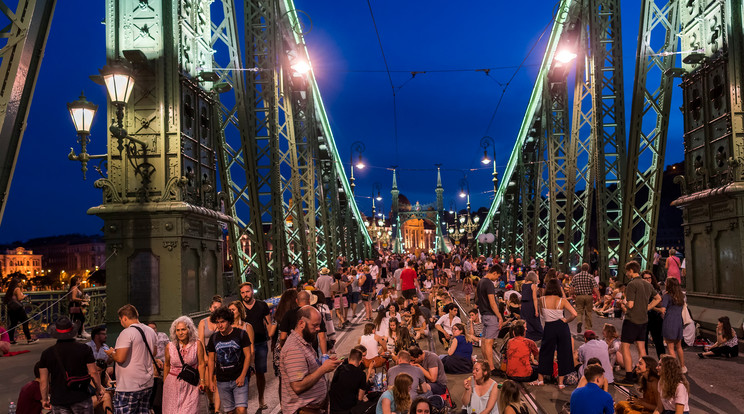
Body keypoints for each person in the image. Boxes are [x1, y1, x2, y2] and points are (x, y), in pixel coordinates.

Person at [280, 306, 342, 414]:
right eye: (315, 325)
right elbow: (298, 386)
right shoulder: (294, 349)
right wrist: (323, 369)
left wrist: (326, 365)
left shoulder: (303, 343)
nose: (318, 329)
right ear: (301, 323)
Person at [39, 316, 104, 414]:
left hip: (59, 399)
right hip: (81, 396)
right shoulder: (84, 349)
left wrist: (44, 399)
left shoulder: (47, 353)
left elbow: (44, 381)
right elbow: (93, 372)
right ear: (72, 332)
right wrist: (98, 389)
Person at [104, 305, 158, 414]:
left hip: (129, 386)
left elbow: (120, 358)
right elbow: (154, 352)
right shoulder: (150, 331)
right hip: (147, 384)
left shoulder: (127, 333)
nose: (121, 323)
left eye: (120, 320)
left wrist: (111, 353)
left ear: (124, 318)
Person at [617, 261, 661, 386]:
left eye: (627, 271)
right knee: (641, 348)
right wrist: (647, 307)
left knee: (625, 347)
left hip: (631, 320)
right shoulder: (647, 284)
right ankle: (645, 375)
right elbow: (658, 298)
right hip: (643, 320)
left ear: (631, 270)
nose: (626, 274)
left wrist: (623, 302)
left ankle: (629, 377)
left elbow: (630, 304)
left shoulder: (632, 284)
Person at [532, 278, 577, 388]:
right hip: (562, 327)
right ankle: (561, 383)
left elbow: (542, 315)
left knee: (545, 352)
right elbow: (574, 314)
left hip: (549, 326)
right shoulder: (562, 300)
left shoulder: (541, 300)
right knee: (563, 353)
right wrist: (566, 320)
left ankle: (540, 379)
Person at [206, 306, 252, 414]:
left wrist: (242, 376)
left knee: (241, 409)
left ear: (229, 321)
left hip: (239, 379)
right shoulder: (214, 338)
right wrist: (210, 380)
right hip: (222, 380)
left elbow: (248, 356)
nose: (220, 325)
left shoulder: (241, 334)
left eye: (222, 322)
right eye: (217, 322)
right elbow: (211, 360)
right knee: (230, 411)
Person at [238, 281, 272, 410]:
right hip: (244, 346)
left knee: (260, 373)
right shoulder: (239, 307)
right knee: (244, 373)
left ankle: (261, 399)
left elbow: (269, 323)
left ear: (252, 291)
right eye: (242, 293)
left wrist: (272, 339)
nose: (245, 295)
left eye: (247, 291)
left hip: (260, 343)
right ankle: (242, 402)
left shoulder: (262, 305)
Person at [163, 316, 206, 414]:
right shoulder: (170, 346)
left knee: (190, 411)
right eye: (178, 330)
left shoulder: (197, 344)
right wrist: (165, 384)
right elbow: (166, 365)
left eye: (183, 329)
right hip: (172, 385)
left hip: (190, 384)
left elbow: (202, 363)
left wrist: (203, 381)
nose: (180, 333)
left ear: (189, 330)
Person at [477, 264, 505, 376]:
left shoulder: (480, 282)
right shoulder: (489, 283)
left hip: (484, 314)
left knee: (484, 340)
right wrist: (499, 316)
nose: (497, 279)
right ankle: (492, 368)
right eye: (497, 277)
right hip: (491, 315)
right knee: (489, 342)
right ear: (494, 273)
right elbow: (492, 302)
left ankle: (486, 364)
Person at [658, 278, 687, 373]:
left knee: (670, 347)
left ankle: (675, 369)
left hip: (669, 322)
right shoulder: (681, 296)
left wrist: (653, 307)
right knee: (678, 346)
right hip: (678, 322)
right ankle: (682, 366)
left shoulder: (667, 296)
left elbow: (663, 310)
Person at [329, 347, 369, 414]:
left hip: (333, 408)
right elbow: (360, 398)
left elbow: (333, 385)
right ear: (359, 362)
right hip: (348, 409)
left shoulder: (340, 368)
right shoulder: (361, 374)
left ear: (348, 359)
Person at [3, 276, 37, 344]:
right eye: (20, 282)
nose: (21, 283)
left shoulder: (11, 289)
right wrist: (24, 296)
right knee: (25, 322)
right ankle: (29, 339)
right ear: (17, 283)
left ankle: (11, 340)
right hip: (18, 308)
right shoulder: (17, 289)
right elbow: (19, 298)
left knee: (13, 324)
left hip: (11, 309)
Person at [571, 263, 599, 334]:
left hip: (579, 296)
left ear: (581, 268)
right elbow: (595, 288)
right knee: (588, 312)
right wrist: (598, 296)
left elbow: (571, 287)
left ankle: (579, 321)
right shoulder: (590, 276)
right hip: (588, 296)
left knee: (579, 311)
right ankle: (588, 329)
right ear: (588, 269)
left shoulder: (576, 276)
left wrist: (572, 294)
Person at [521, 271, 543, 341]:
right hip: (531, 305)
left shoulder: (523, 285)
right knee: (534, 321)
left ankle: (527, 336)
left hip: (524, 305)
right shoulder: (533, 285)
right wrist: (536, 310)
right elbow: (535, 298)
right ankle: (538, 336)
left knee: (526, 321)